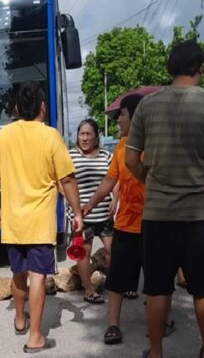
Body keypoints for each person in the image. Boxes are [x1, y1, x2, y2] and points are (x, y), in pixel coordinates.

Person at [124, 39, 204, 358]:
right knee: (203, 288)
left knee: (158, 288)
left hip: (158, 215)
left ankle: (157, 352)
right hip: (199, 216)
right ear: (199, 67)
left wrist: (150, 178)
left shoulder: (148, 105)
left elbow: (130, 160)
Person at [0, 81, 83, 353]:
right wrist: (77, 212)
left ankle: (19, 320)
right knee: (38, 275)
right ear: (42, 107)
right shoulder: (50, 136)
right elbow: (68, 177)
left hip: (14, 222)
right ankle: (36, 336)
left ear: (16, 108)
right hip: (39, 222)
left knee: (18, 273)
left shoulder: (4, 136)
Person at [83, 94, 148, 345]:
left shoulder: (152, 145)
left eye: (122, 114)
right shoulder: (120, 148)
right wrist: (88, 205)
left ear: (135, 116)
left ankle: (162, 322)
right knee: (118, 279)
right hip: (125, 225)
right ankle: (113, 325)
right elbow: (109, 182)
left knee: (156, 280)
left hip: (153, 223)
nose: (118, 120)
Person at [68, 119, 114, 304]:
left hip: (104, 215)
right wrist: (71, 204)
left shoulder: (106, 155)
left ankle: (115, 285)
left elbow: (114, 178)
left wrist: (115, 200)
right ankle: (88, 290)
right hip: (82, 218)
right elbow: (60, 182)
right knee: (83, 254)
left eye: (89, 134)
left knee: (113, 251)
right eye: (82, 134)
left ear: (96, 137)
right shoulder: (69, 156)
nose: (85, 138)